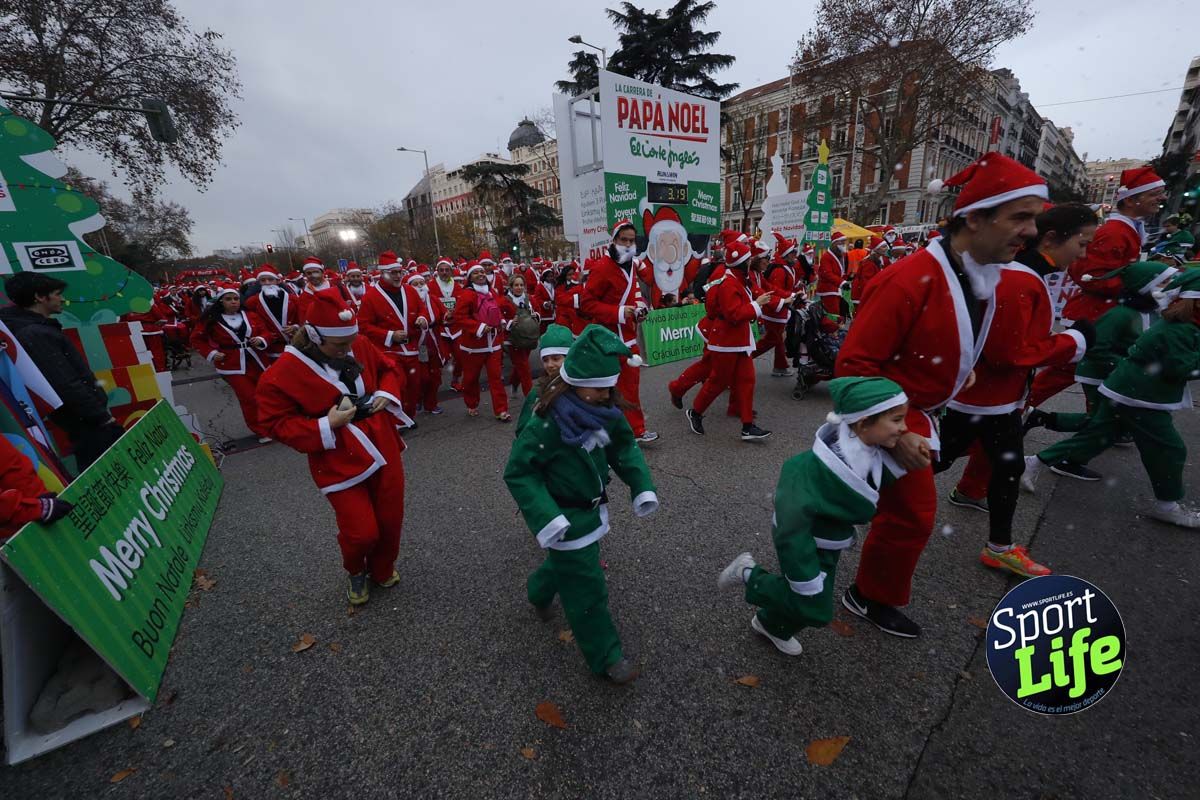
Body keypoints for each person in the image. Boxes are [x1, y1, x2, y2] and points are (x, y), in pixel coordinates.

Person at [835, 152, 1048, 637]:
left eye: (1034, 218)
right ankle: (863, 594)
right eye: (1020, 217)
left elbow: (943, 339)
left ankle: (848, 574)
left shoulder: (976, 273)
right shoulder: (907, 279)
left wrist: (957, 372)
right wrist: (894, 434)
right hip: (893, 417)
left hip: (920, 411)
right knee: (911, 515)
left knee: (895, 511)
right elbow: (852, 368)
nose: (1032, 231)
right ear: (974, 218)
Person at [934, 204, 1099, 579]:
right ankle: (847, 493)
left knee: (1002, 466)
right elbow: (1008, 352)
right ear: (1051, 239)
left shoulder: (1023, 275)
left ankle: (1000, 546)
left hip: (994, 399)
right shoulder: (1019, 279)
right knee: (936, 458)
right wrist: (1073, 341)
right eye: (1082, 243)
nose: (1084, 254)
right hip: (984, 399)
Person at [503, 325, 659, 684]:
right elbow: (519, 471)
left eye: (609, 388)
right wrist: (547, 517)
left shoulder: (605, 410)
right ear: (575, 383)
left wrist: (641, 486)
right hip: (564, 513)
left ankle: (539, 590)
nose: (607, 395)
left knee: (570, 566)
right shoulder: (546, 423)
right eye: (599, 388)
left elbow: (624, 447)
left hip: (591, 508)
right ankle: (607, 656)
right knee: (588, 587)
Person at [717, 377, 909, 655]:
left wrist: (911, 452)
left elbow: (875, 479)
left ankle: (771, 624)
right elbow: (790, 529)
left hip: (830, 540)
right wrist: (803, 574)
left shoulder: (867, 451)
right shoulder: (807, 470)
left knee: (810, 599)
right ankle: (748, 573)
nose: (905, 428)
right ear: (863, 422)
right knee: (815, 608)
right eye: (897, 420)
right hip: (805, 544)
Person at [256, 289, 412, 604]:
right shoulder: (282, 373)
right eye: (339, 345)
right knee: (361, 531)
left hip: (381, 442)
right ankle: (356, 569)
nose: (348, 349)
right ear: (314, 337)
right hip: (337, 456)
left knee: (390, 517)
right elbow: (274, 422)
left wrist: (386, 392)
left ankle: (382, 568)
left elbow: (389, 367)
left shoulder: (357, 343)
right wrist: (325, 425)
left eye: (350, 342)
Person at [1023, 269, 1200, 528]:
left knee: (1098, 433)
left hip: (1128, 387)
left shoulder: (1168, 320)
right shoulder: (1144, 319)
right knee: (1169, 448)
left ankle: (1034, 460)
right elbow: (1177, 367)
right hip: (1134, 392)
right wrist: (1119, 363)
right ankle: (1167, 506)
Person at [1027, 166, 1166, 411]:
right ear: (1131, 200)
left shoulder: (1127, 229)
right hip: (1095, 316)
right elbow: (1089, 275)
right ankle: (1015, 410)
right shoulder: (1116, 232)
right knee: (1072, 372)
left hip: (1103, 315)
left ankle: (1099, 420)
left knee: (1092, 374)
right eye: (1154, 194)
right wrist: (1133, 290)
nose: (1161, 198)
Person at [1024, 261, 1177, 436]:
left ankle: (1038, 419)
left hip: (1112, 360)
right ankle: (1026, 417)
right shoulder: (1122, 314)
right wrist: (1127, 367)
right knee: (1099, 418)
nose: (1171, 286)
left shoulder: (1151, 311)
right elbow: (1087, 272)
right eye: (1165, 281)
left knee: (1106, 419)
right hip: (1095, 330)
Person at [0, 273, 124, 472]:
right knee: (108, 470)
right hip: (87, 422)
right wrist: (100, 416)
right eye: (57, 294)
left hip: (85, 420)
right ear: (40, 297)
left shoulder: (36, 329)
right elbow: (65, 383)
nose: (62, 299)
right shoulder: (34, 333)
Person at [684, 239, 774, 441]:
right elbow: (734, 314)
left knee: (747, 380)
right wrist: (757, 305)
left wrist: (768, 302)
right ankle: (695, 412)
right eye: (748, 260)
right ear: (742, 262)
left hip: (739, 340)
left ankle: (747, 426)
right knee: (718, 381)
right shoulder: (728, 283)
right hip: (725, 342)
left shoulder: (738, 279)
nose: (751, 262)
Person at [579, 220, 658, 443]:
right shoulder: (602, 268)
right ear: (614, 240)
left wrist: (639, 309)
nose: (628, 244)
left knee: (631, 386)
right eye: (624, 240)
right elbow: (586, 304)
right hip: (606, 339)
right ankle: (595, 429)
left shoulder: (631, 265)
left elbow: (633, 294)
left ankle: (636, 430)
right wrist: (620, 312)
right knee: (604, 388)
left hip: (628, 337)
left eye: (632, 240)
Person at [189, 285, 275, 441]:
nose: (233, 302)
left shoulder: (251, 315)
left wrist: (261, 339)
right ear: (221, 301)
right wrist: (212, 353)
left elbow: (266, 332)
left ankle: (275, 424)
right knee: (249, 398)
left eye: (236, 298)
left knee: (267, 395)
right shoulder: (211, 319)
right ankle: (261, 430)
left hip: (257, 360)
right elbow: (196, 339)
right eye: (228, 299)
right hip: (232, 364)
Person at [357, 259, 426, 422]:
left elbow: (422, 309)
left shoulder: (410, 290)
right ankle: (395, 421)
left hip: (412, 348)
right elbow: (363, 325)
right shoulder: (371, 296)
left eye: (399, 272)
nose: (397, 276)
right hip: (388, 351)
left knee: (414, 385)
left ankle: (408, 417)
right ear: (382, 273)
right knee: (397, 383)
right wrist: (389, 335)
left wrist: (423, 318)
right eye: (393, 273)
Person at [452, 263, 510, 421]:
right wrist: (479, 327)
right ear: (470, 277)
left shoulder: (492, 292)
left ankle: (501, 410)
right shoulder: (467, 294)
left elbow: (497, 310)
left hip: (493, 343)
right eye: (476, 272)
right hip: (473, 346)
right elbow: (459, 317)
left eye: (482, 272)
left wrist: (501, 320)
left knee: (496, 378)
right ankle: (471, 403)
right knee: (471, 378)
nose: (480, 274)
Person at [0, 435, 73, 539]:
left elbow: (14, 468)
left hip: (38, 508)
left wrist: (40, 500)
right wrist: (36, 509)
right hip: (19, 533)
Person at [751, 232, 801, 378]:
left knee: (776, 339)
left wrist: (792, 295)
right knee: (771, 340)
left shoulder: (758, 273)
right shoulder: (777, 271)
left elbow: (770, 288)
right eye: (766, 259)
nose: (769, 261)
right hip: (771, 311)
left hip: (773, 309)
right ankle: (742, 360)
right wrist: (782, 301)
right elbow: (762, 292)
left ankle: (780, 366)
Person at [242, 266, 299, 361]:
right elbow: (250, 324)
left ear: (277, 281)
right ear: (259, 283)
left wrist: (296, 326)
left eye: (270, 279)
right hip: (271, 349)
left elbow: (303, 318)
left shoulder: (293, 299)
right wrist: (263, 335)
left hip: (295, 346)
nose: (267, 283)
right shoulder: (252, 302)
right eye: (263, 280)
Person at [500, 274, 538, 397]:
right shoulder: (504, 301)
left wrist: (535, 316)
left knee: (521, 365)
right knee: (524, 367)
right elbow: (499, 317)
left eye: (521, 285)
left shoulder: (529, 299)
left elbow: (537, 310)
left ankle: (514, 383)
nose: (519, 287)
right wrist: (510, 322)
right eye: (516, 285)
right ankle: (530, 398)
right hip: (513, 340)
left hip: (529, 337)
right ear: (511, 287)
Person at [815, 231, 850, 331]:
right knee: (833, 313)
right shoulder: (826, 257)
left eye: (844, 241)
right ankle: (831, 332)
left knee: (839, 311)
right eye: (841, 241)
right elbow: (827, 274)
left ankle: (836, 330)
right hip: (828, 290)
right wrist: (842, 282)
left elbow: (842, 271)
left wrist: (846, 279)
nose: (843, 244)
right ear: (834, 243)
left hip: (837, 289)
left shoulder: (843, 255)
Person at [553, 263, 587, 335]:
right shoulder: (560, 286)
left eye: (573, 274)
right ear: (565, 275)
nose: (572, 276)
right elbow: (559, 300)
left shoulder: (577, 284)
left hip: (576, 317)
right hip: (564, 317)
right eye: (569, 275)